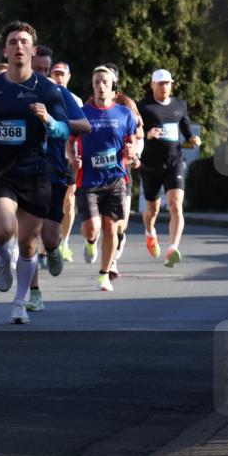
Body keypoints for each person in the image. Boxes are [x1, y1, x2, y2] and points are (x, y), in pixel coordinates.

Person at [0, 21, 69, 324]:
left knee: (28, 245)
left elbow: (64, 130)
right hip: (0, 170)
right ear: (5, 49)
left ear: (33, 49)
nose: (18, 46)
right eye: (12, 41)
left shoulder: (49, 90)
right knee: (2, 230)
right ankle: (2, 257)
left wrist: (49, 120)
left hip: (35, 171)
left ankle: (20, 301)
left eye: (24, 41)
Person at [26, 46, 90, 312]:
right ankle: (33, 293)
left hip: (53, 170)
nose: (42, 75)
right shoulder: (15, 90)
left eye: (45, 70)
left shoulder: (59, 93)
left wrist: (53, 118)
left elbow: (85, 125)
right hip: (22, 169)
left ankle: (53, 249)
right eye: (37, 69)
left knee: (49, 236)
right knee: (27, 235)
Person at [73, 66, 141, 291]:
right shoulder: (82, 113)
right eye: (96, 83)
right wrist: (72, 157)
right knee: (92, 228)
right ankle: (91, 242)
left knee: (110, 227)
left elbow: (132, 142)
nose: (101, 86)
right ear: (92, 87)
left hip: (115, 179)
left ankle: (104, 274)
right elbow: (68, 140)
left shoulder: (124, 113)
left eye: (105, 82)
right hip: (88, 180)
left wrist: (132, 154)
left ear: (113, 86)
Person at [139, 69, 201, 267]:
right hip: (150, 165)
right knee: (152, 210)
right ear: (152, 85)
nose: (164, 87)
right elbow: (135, 131)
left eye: (167, 83)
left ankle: (173, 248)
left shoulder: (179, 105)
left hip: (174, 162)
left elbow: (185, 126)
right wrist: (147, 134)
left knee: (176, 205)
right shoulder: (144, 107)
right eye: (160, 83)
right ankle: (150, 232)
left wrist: (192, 137)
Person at [49, 61, 81, 261]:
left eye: (63, 74)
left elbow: (83, 131)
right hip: (48, 155)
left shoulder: (75, 100)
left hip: (69, 156)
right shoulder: (45, 95)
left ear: (69, 77)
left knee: (69, 199)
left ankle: (65, 242)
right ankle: (47, 244)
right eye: (56, 73)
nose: (59, 77)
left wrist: (79, 154)